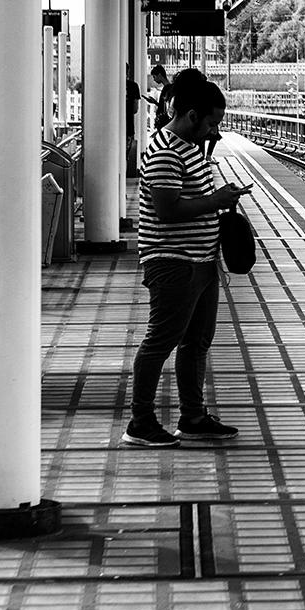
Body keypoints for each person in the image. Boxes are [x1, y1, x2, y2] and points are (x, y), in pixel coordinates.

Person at [123, 69, 252, 449]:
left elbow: (189, 201)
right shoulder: (164, 151)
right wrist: (217, 200)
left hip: (200, 260)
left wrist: (218, 202)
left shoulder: (190, 150)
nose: (215, 132)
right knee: (160, 341)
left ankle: (192, 416)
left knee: (196, 342)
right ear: (192, 115)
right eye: (211, 123)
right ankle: (140, 422)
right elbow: (167, 209)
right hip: (172, 261)